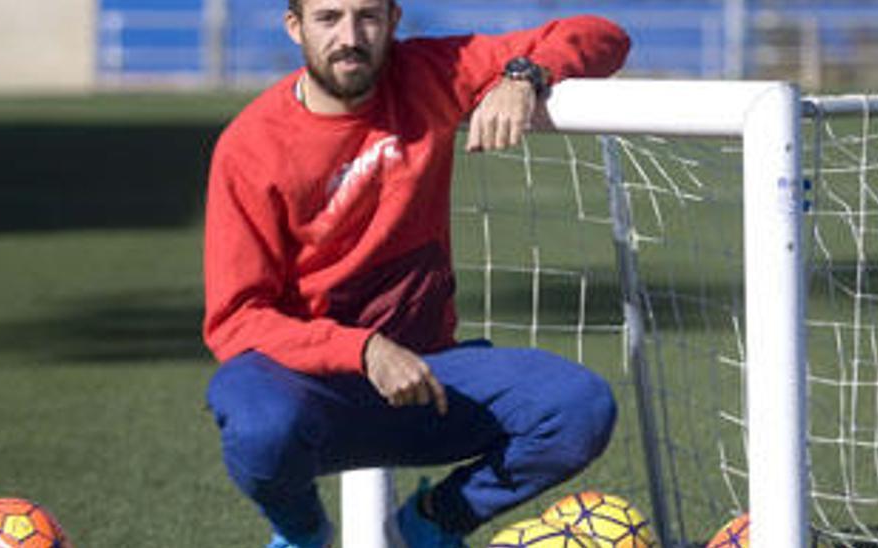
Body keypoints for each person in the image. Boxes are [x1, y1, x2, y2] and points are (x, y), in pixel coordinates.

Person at [201, 0, 630, 546]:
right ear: (295, 27)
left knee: (577, 407)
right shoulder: (251, 145)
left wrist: (524, 76)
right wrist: (363, 350)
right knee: (259, 427)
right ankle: (302, 532)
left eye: (368, 17)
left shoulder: (432, 73)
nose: (350, 36)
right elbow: (238, 320)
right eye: (328, 18)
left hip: (430, 382)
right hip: (311, 389)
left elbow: (602, 35)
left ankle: (428, 526)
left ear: (395, 20)